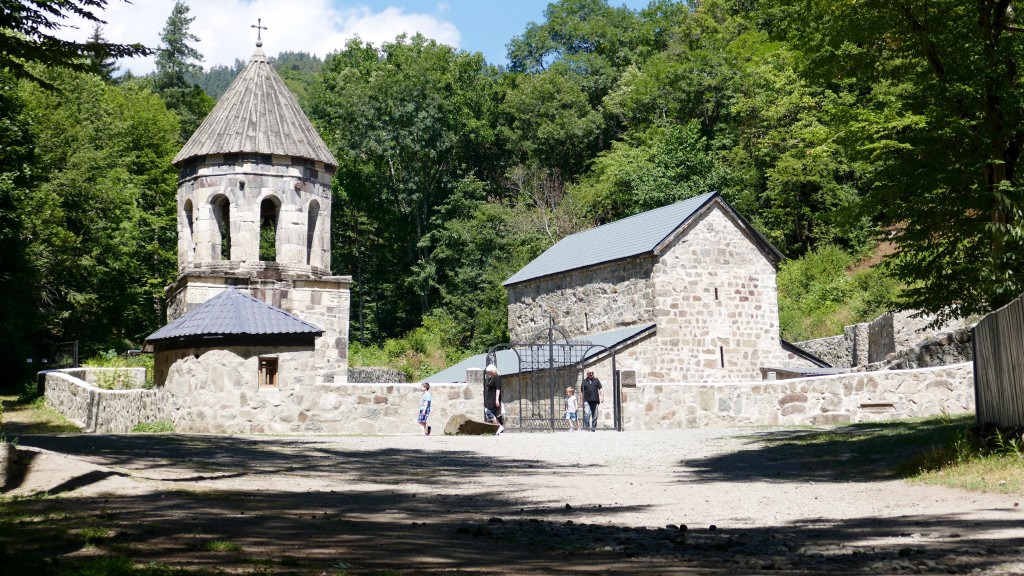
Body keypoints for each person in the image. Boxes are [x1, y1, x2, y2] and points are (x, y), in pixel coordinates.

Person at [484, 364, 504, 434]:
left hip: (493, 399)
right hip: (490, 399)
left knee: (488, 412)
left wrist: (497, 399)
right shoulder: (491, 378)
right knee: (493, 414)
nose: (488, 373)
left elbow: (498, 389)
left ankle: (498, 426)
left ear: (492, 371)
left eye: (489, 371)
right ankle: (496, 429)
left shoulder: (497, 378)